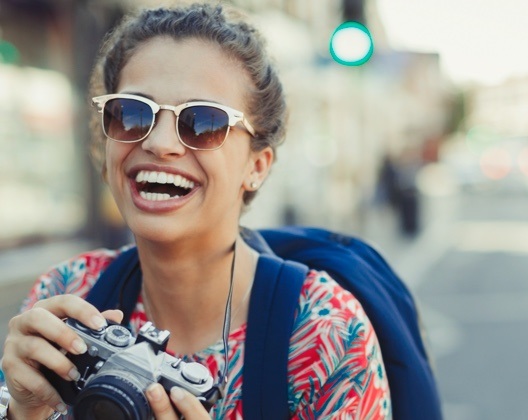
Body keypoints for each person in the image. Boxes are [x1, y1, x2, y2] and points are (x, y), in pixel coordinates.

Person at [0, 3, 390, 419]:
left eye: (203, 122)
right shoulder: (69, 295)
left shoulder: (322, 332)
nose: (160, 143)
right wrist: (23, 413)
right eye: (132, 114)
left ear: (256, 167)